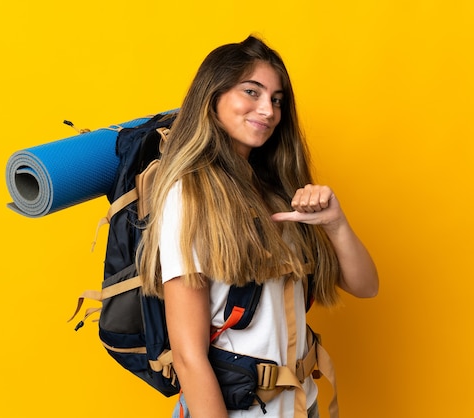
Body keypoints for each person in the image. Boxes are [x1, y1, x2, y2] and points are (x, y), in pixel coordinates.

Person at [138, 35, 378, 418]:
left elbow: (367, 286)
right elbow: (187, 354)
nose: (268, 109)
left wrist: (335, 223)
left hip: (302, 404)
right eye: (252, 92)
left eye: (277, 99)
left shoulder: (276, 190)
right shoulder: (190, 195)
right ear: (213, 97)